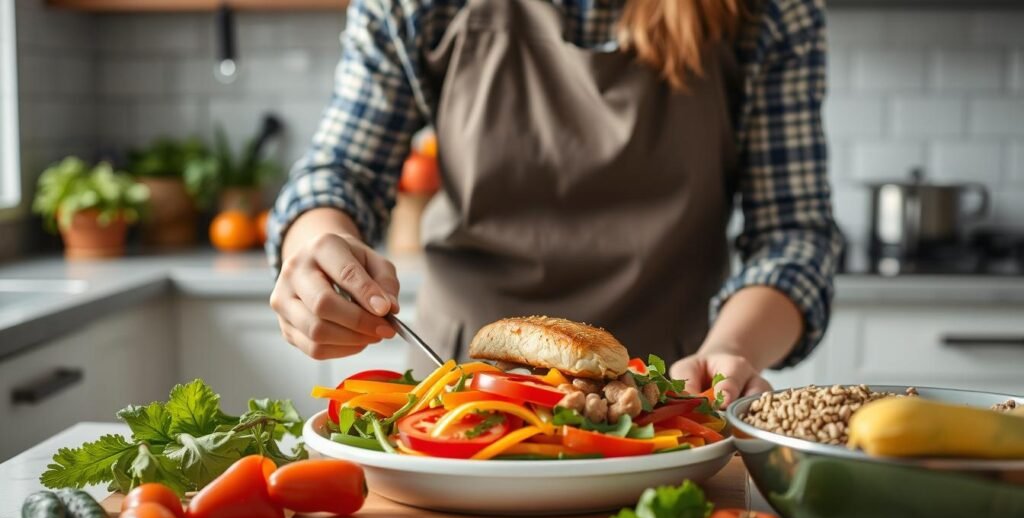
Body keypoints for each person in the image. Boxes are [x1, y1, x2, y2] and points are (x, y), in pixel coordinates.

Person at [266, 0, 843, 405]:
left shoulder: (767, 12)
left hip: (665, 396)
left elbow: (794, 235)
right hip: (457, 393)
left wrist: (728, 351)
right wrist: (316, 247)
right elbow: (340, 174)